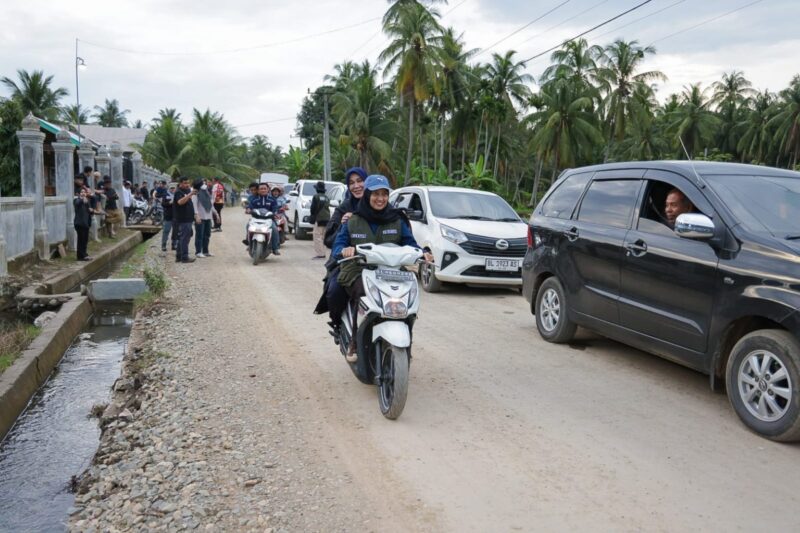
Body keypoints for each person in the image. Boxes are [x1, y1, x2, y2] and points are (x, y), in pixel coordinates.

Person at [331, 175, 432, 361]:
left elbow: (410, 243)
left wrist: (422, 252)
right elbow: (338, 245)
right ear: (367, 195)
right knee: (360, 293)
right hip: (359, 270)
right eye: (376, 194)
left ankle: (406, 343)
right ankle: (354, 339)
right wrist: (344, 249)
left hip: (393, 271)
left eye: (384, 194)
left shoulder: (397, 219)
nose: (380, 198)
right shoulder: (353, 221)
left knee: (408, 300)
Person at [324, 167, 367, 249]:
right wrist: (343, 225)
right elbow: (328, 241)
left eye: (359, 181)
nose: (356, 186)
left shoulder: (376, 204)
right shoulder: (344, 208)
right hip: (348, 258)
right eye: (351, 183)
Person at [245, 183, 281, 255]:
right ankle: (250, 244)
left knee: (274, 229)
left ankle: (275, 248)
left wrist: (275, 214)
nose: (263, 190)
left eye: (265, 188)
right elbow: (250, 207)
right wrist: (248, 209)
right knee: (248, 226)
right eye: (261, 189)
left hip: (269, 220)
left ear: (268, 190)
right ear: (258, 190)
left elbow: (275, 209)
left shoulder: (272, 200)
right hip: (256, 219)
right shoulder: (254, 199)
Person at [191, 178, 217, 258]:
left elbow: (210, 204)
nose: (205, 184)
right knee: (199, 235)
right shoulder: (195, 193)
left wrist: (216, 213)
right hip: (200, 217)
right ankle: (198, 252)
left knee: (207, 235)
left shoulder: (206, 192)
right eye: (203, 183)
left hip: (208, 217)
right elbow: (194, 205)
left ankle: (205, 251)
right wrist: (196, 215)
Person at [173, 177, 196, 263]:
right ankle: (184, 257)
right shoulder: (178, 192)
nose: (187, 184)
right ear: (180, 183)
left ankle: (179, 256)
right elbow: (180, 202)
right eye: (185, 183)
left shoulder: (187, 191)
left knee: (184, 237)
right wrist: (190, 194)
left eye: (188, 183)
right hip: (183, 219)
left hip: (188, 218)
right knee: (184, 238)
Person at [309, 181, 330, 259]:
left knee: (317, 236)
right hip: (327, 218)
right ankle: (323, 252)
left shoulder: (316, 196)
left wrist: (312, 217)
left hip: (319, 218)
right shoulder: (326, 197)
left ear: (317, 189)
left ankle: (320, 254)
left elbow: (313, 209)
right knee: (323, 236)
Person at [73, 186, 96, 261]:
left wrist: (91, 210)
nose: (83, 193)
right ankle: (81, 256)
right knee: (81, 240)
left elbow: (90, 211)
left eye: (84, 192)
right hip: (79, 224)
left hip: (86, 223)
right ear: (78, 194)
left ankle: (84, 254)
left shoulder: (87, 201)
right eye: (81, 192)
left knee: (85, 240)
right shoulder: (76, 200)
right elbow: (78, 203)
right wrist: (82, 199)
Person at [161, 185, 176, 252]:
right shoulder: (165, 195)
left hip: (175, 216)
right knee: (166, 231)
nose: (172, 189)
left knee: (175, 231)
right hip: (168, 216)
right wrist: (170, 202)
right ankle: (163, 245)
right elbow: (163, 204)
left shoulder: (177, 195)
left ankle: (174, 245)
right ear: (169, 188)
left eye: (173, 188)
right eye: (171, 188)